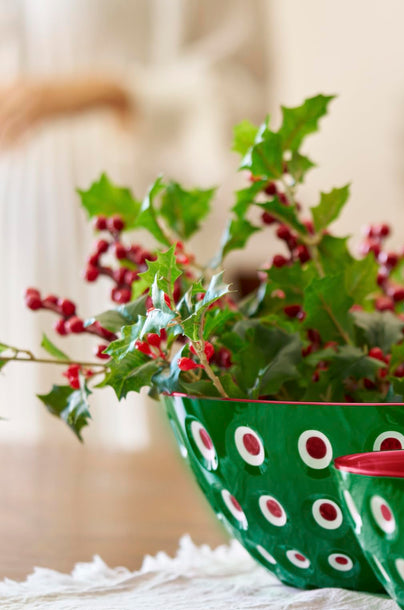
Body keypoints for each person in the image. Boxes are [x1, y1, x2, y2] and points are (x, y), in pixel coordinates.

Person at [0, 0, 267, 446]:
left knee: (136, 397)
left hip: (125, 212)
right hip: (19, 221)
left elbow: (239, 84)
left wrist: (114, 91)